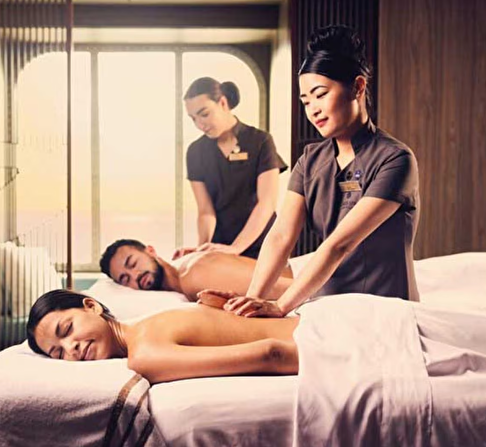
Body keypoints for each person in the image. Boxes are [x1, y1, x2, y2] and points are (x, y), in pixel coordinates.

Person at [207, 25, 420, 318]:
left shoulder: (394, 159)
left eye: (320, 94)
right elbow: (281, 236)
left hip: (384, 312)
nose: (313, 110)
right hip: (327, 308)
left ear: (358, 87)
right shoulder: (310, 161)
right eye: (306, 101)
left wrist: (281, 306)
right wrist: (252, 300)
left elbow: (340, 244)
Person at [26, 289, 299, 384]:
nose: (70, 348)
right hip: (310, 320)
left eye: (67, 330)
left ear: (91, 306)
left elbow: (271, 354)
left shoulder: (144, 355)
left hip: (315, 337)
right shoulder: (151, 321)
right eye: (58, 353)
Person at [173, 77, 288, 260]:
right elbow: (206, 211)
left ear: (223, 103)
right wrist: (201, 251)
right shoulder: (195, 152)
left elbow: (266, 203)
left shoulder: (260, 141)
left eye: (204, 114)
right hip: (221, 247)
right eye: (193, 118)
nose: (200, 124)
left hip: (262, 245)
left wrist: (236, 248)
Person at [99, 238, 293, 301]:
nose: (135, 276)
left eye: (132, 263)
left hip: (303, 279)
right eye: (125, 279)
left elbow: (284, 288)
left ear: (150, 251)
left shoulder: (194, 275)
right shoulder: (181, 277)